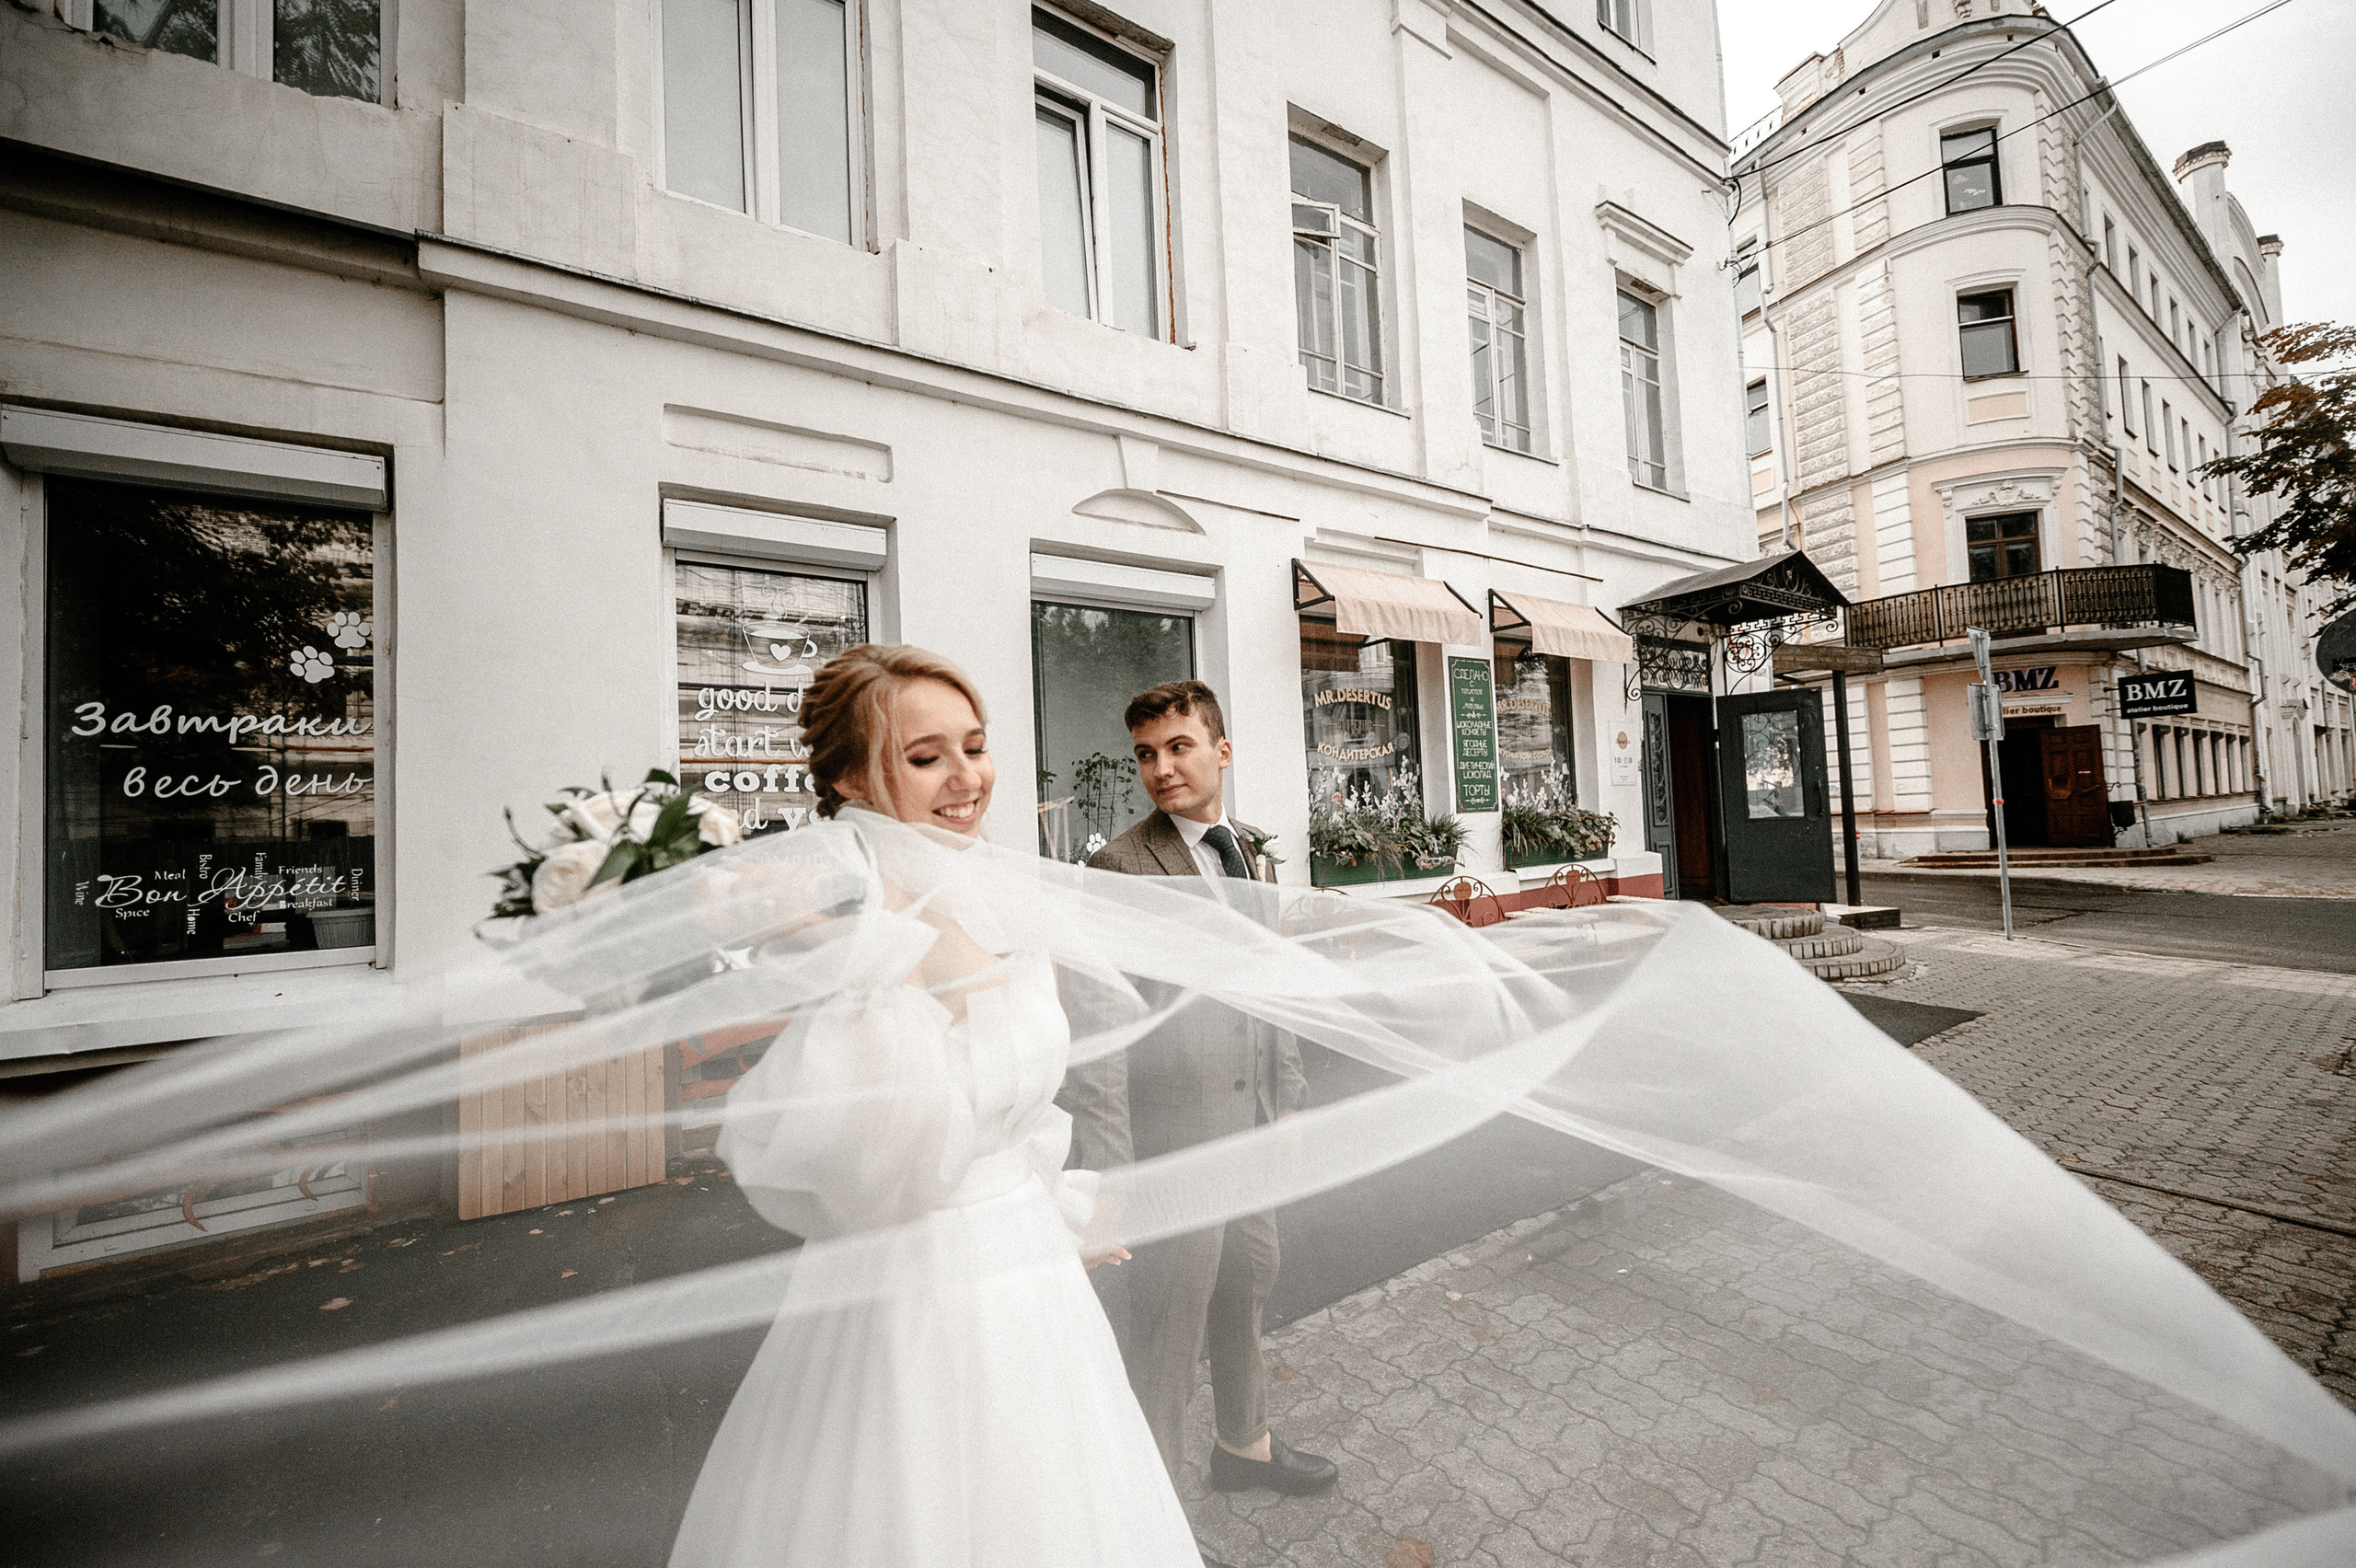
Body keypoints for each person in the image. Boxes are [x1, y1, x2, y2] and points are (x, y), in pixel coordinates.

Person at [668, 645, 1201, 1568]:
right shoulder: (843, 927)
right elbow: (855, 1172)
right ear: (848, 780)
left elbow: (1028, 1090)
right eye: (925, 758)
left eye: (976, 746)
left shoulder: (994, 881)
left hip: (1032, 1280)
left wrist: (1058, 1195)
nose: (967, 779)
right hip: (913, 1294)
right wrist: (916, 971)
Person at [1069, 680, 1340, 1499]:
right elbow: (1099, 1035)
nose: (1160, 768)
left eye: (1178, 747)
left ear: (1221, 751)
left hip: (1249, 1126)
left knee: (1246, 1290)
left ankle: (1243, 1448)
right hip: (1173, 1143)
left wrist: (1286, 1100)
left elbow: (1270, 986)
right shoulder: (1120, 865)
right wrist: (1113, 1175)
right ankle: (1147, 1520)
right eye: (1146, 754)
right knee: (1165, 1336)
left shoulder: (1247, 850)